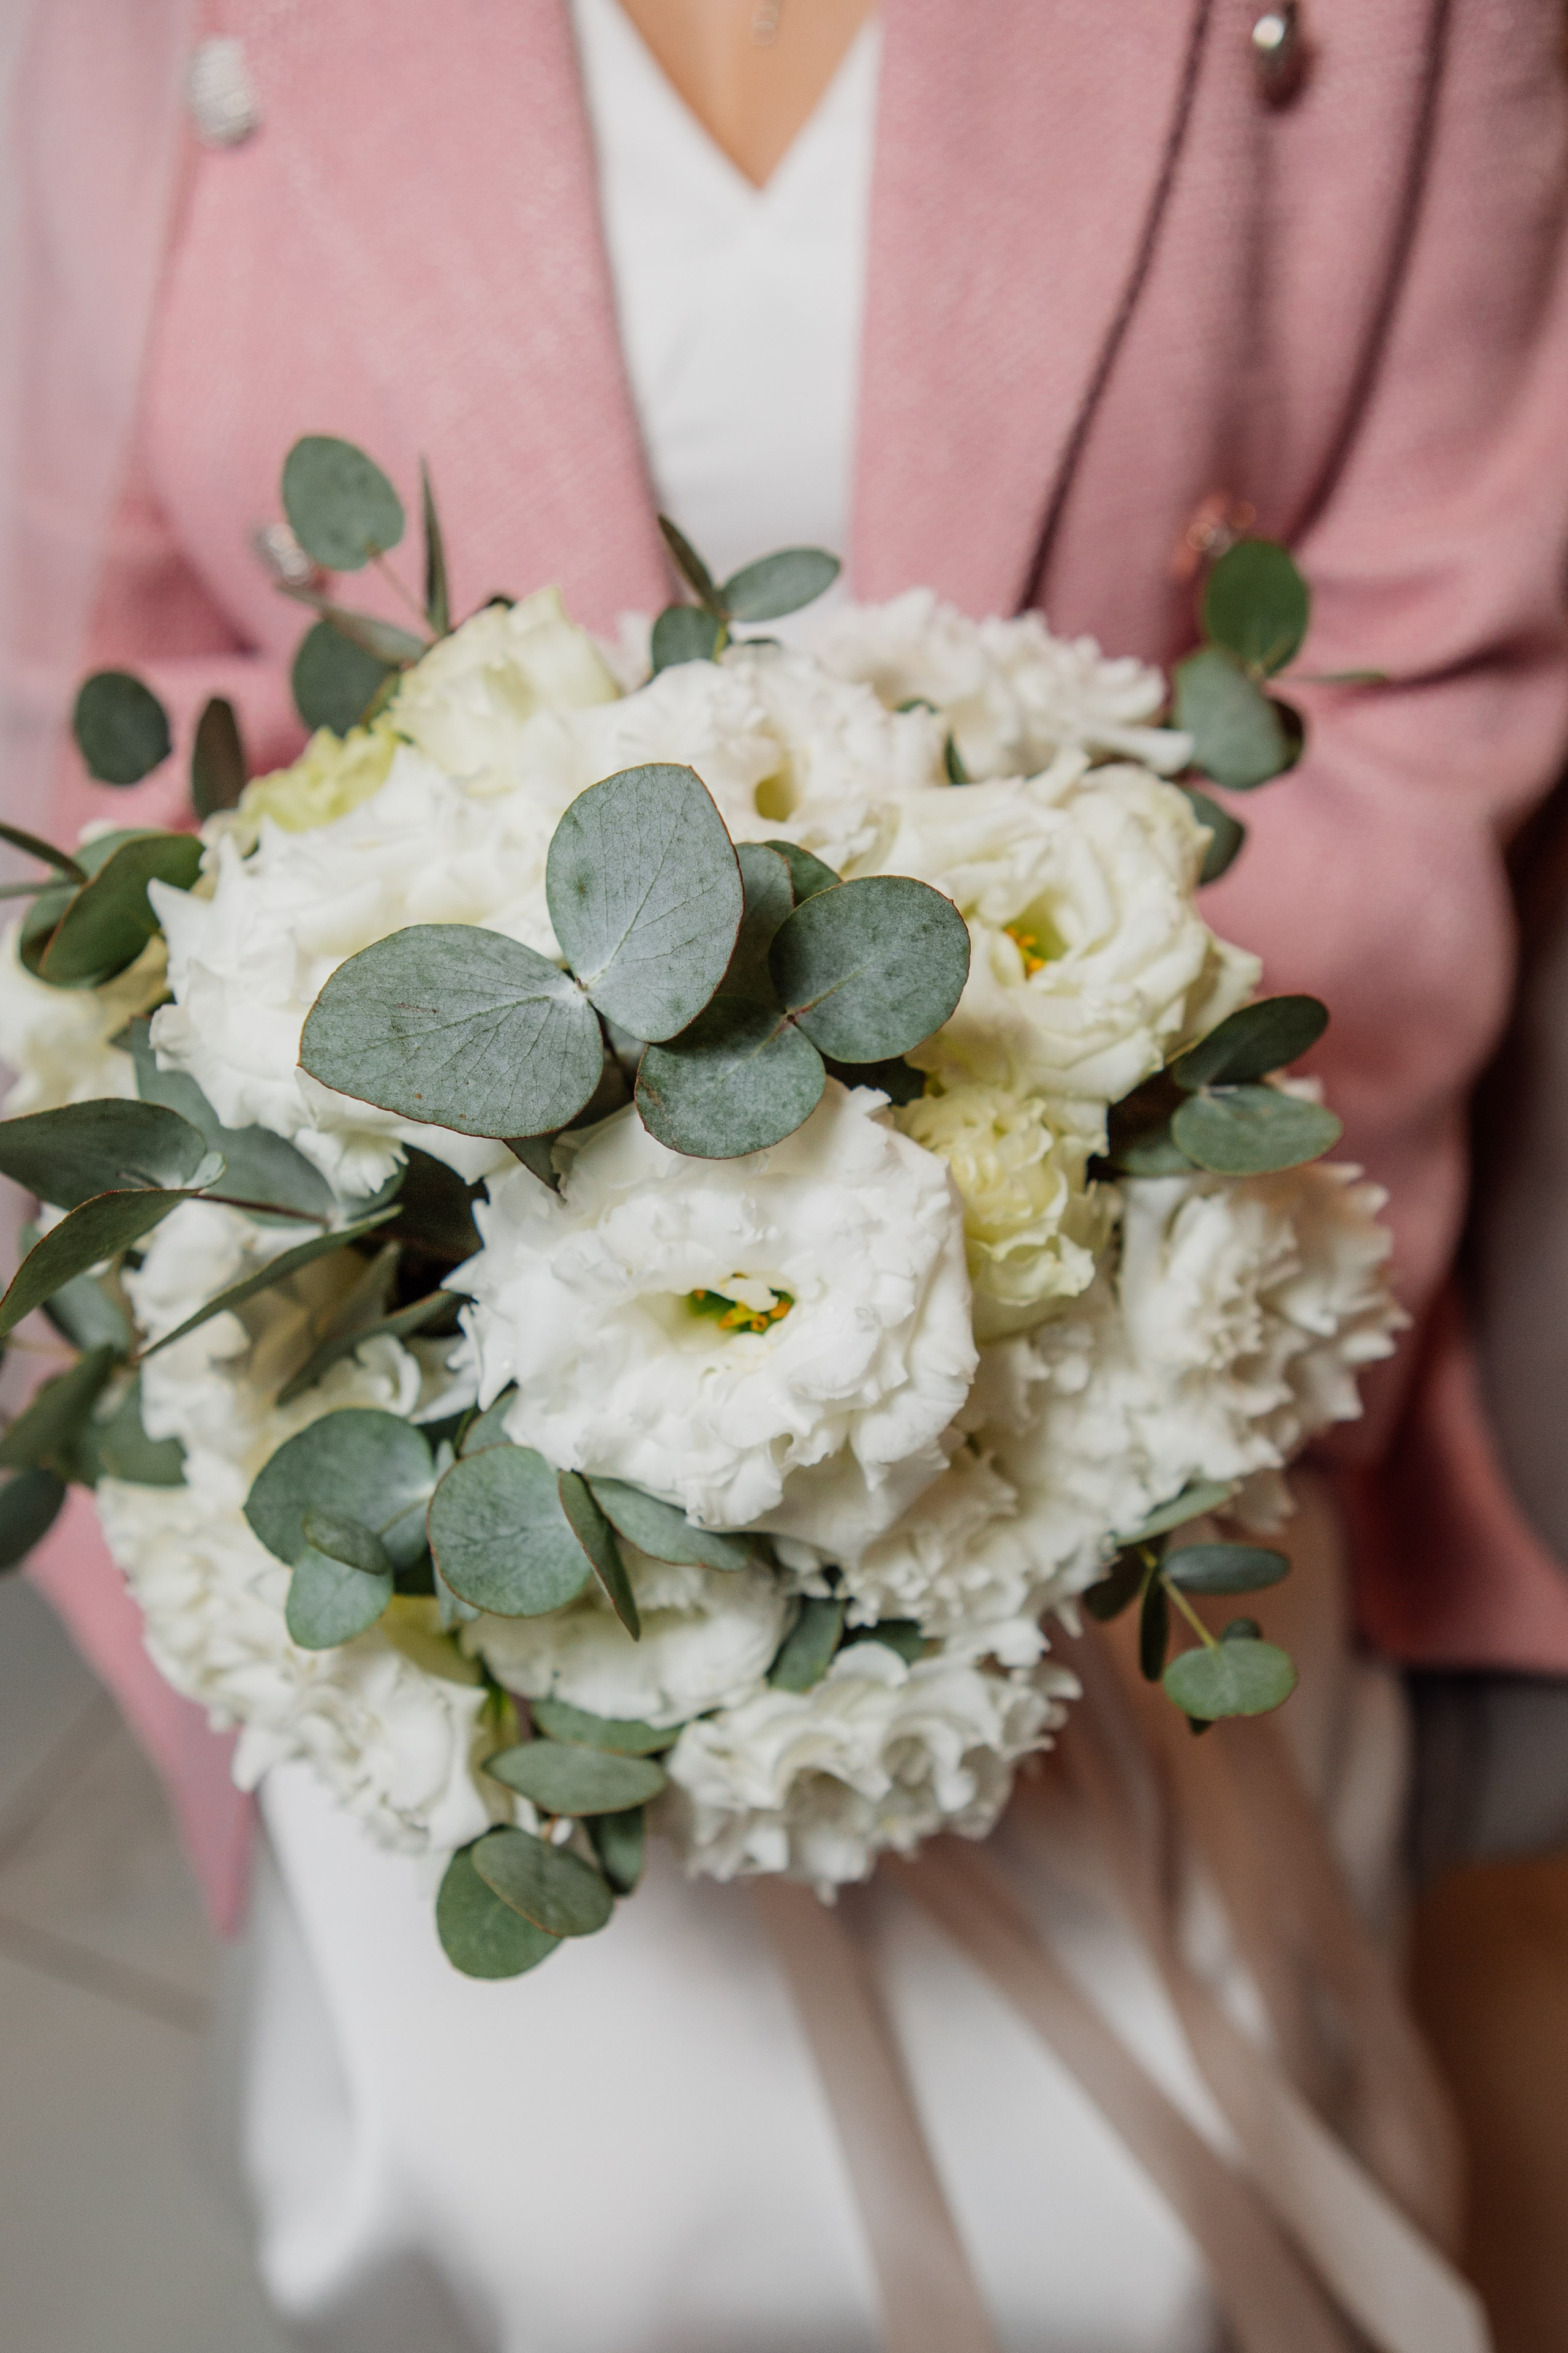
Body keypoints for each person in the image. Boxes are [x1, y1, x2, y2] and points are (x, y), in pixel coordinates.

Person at [5, 3, 1568, 2346]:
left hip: (1121, 1369)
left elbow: (1423, 666)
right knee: (561, 2206)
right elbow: (87, 683)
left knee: (1164, 2204)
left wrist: (1075, 1292)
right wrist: (382, 1306)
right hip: (420, 1401)